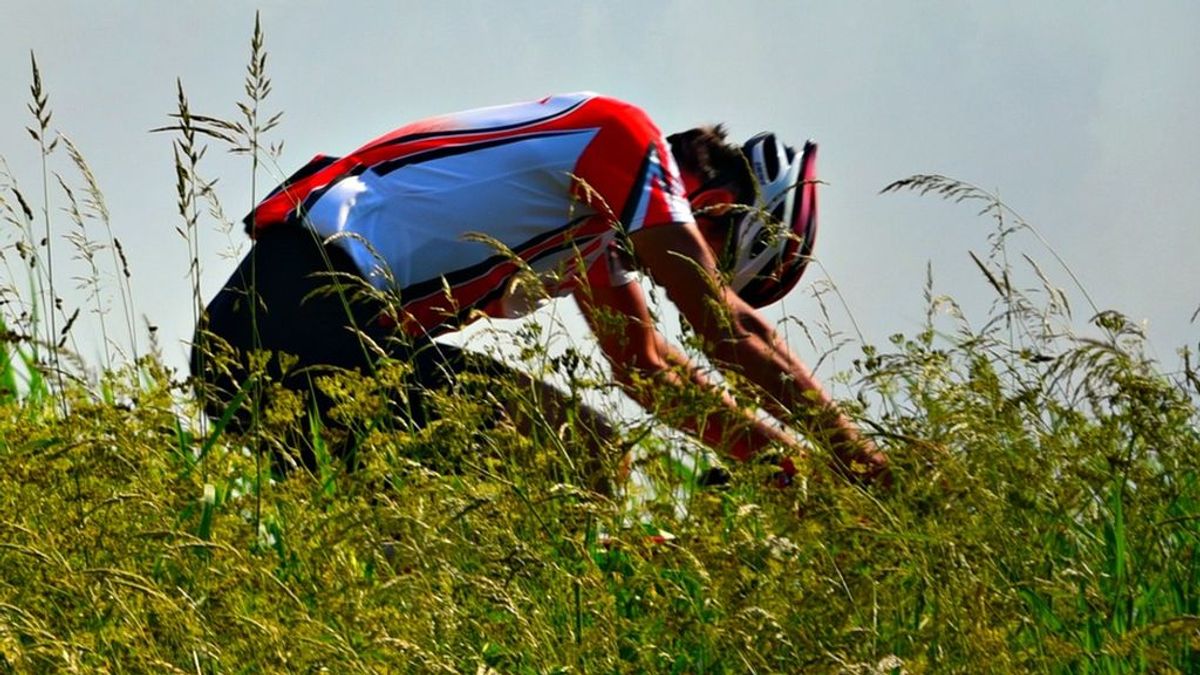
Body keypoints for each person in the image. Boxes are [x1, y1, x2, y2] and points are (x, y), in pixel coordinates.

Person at [191, 91, 889, 488]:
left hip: (260, 342)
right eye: (714, 259)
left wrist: (775, 462)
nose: (662, 271)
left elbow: (647, 368)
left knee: (453, 537)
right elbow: (725, 330)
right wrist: (861, 462)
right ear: (708, 205)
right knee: (580, 450)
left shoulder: (590, 226)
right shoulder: (620, 139)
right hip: (306, 315)